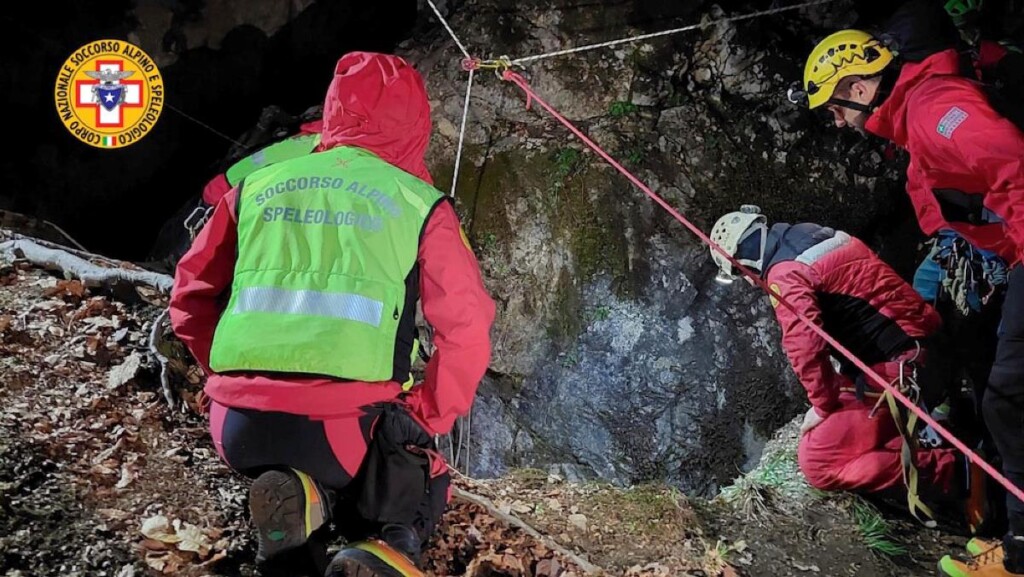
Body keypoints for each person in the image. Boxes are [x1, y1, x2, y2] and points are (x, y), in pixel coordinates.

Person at [169, 51, 496, 577]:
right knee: (414, 465)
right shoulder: (420, 204)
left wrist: (231, 378)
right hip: (341, 434)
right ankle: (386, 547)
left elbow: (188, 296)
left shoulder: (257, 184)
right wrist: (428, 414)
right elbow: (467, 329)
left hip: (235, 426)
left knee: (324, 454)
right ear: (416, 124)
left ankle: (302, 505)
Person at [796, 29, 1024, 574]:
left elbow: (1014, 164)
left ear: (855, 86)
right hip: (1008, 258)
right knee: (991, 380)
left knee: (1007, 400)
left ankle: (1020, 553)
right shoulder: (916, 116)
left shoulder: (933, 111)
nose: (836, 121)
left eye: (833, 108)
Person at [708, 206, 983, 524]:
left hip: (904, 369)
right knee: (848, 419)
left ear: (742, 262)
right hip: (923, 349)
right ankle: (932, 438)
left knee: (819, 461)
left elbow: (805, 346)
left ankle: (960, 472)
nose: (751, 284)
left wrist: (822, 406)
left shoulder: (786, 273)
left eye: (742, 275)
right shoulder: (812, 233)